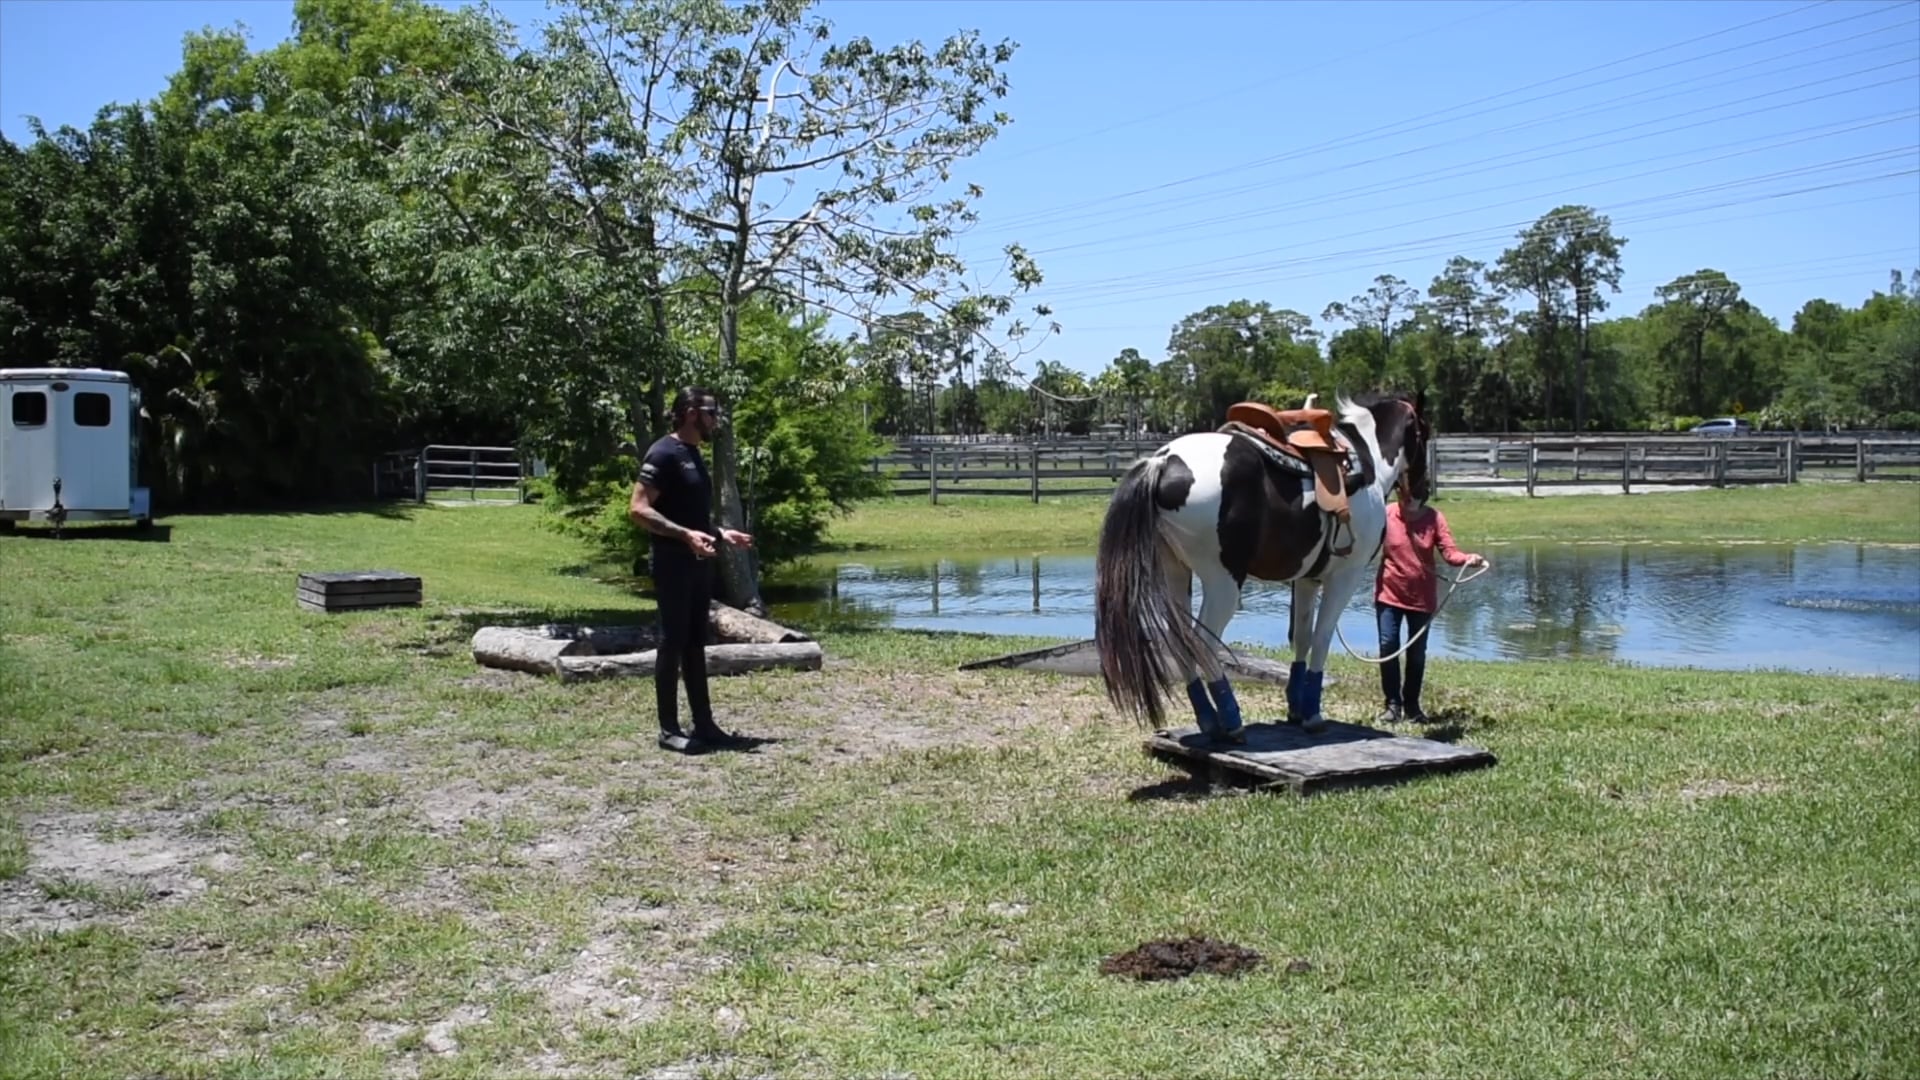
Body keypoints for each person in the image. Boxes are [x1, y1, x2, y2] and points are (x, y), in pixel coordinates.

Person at [628, 387, 755, 754]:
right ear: (689, 413)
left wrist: (720, 533)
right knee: (672, 643)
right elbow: (638, 509)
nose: (716, 419)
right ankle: (668, 729)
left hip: (699, 562)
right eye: (711, 412)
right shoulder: (664, 453)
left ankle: (704, 723)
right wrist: (684, 536)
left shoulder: (694, 454)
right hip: (672, 563)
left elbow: (690, 514)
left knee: (697, 643)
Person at [1374, 475, 1485, 724]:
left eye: (1412, 496)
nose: (1407, 500)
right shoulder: (1386, 514)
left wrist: (1467, 559)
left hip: (1421, 598)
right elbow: (1365, 544)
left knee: (1417, 653)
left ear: (1422, 497)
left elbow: (1450, 552)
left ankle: (1412, 706)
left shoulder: (1434, 518)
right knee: (1387, 646)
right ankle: (1393, 705)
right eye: (1402, 494)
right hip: (1388, 593)